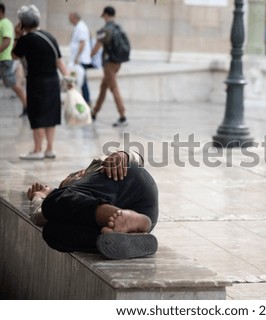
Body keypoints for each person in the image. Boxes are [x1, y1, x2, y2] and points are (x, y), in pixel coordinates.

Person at [26, 150, 159, 260]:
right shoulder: (79, 202)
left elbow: (40, 215)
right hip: (146, 213)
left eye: (68, 182)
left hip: (131, 182)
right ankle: (129, 235)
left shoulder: (96, 169)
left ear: (80, 174)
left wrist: (122, 154)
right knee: (52, 232)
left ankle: (123, 219)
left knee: (52, 202)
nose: (66, 185)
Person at [13, 5, 71, 160]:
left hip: (36, 82)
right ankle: (49, 149)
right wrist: (68, 78)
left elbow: (14, 55)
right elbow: (59, 61)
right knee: (50, 115)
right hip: (53, 81)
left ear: (23, 24)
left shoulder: (25, 40)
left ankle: (37, 149)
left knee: (37, 114)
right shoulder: (49, 36)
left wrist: (17, 36)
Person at [90, 6, 129, 127]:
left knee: (113, 88)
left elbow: (97, 46)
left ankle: (122, 116)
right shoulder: (119, 28)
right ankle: (94, 112)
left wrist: (88, 57)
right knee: (103, 87)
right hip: (118, 63)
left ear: (106, 15)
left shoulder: (105, 30)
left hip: (109, 64)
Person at [0, 3, 27, 116]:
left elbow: (7, 41)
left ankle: (27, 105)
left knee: (13, 84)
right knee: (13, 84)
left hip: (4, 60)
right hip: (3, 59)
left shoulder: (5, 23)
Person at [68, 12, 92, 105]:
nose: (69, 21)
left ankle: (86, 100)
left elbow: (82, 43)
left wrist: (77, 57)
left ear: (74, 18)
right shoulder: (79, 26)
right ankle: (83, 100)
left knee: (82, 81)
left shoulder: (81, 27)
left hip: (80, 60)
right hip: (79, 59)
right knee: (81, 81)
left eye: (70, 18)